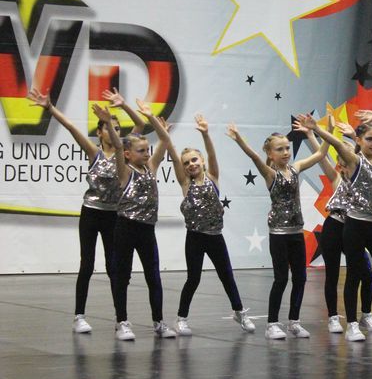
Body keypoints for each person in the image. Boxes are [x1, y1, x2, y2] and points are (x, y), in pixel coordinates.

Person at [27, 87, 145, 334]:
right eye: (108, 126)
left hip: (114, 215)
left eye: (117, 127)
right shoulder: (95, 153)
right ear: (99, 132)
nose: (114, 130)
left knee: (114, 267)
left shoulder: (123, 152)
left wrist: (123, 105)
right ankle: (79, 316)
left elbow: (140, 124)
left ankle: (121, 320)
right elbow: (71, 127)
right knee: (87, 265)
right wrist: (50, 108)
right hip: (91, 213)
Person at [299, 111, 372, 341]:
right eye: (369, 139)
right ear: (359, 141)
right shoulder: (354, 162)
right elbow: (336, 146)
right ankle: (350, 324)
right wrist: (316, 130)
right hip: (354, 226)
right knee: (353, 275)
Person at [227, 118, 330, 339]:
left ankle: (294, 322)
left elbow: (321, 154)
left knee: (300, 278)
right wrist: (239, 140)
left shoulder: (296, 168)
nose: (285, 152)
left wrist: (325, 130)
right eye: (280, 149)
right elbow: (254, 157)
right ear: (270, 153)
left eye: (287, 148)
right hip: (279, 235)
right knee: (281, 279)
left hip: (296, 232)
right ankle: (272, 324)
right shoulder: (270, 174)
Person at [164, 114, 255, 336]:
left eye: (194, 160)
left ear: (202, 161)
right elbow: (174, 158)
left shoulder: (213, 177)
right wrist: (165, 136)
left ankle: (239, 312)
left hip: (215, 237)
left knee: (227, 275)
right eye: (187, 163)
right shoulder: (186, 183)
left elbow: (212, 154)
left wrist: (205, 134)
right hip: (195, 237)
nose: (191, 164)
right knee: (193, 278)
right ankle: (181, 318)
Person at [94, 100, 175, 340]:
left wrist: (151, 118)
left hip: (147, 230)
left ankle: (158, 321)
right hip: (125, 228)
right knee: (123, 276)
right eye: (141, 151)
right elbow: (118, 146)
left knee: (153, 276)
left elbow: (165, 140)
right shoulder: (125, 171)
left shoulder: (151, 167)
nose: (147, 153)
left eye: (147, 150)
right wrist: (108, 122)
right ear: (128, 154)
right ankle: (122, 321)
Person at [300, 119, 372, 334]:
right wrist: (311, 135)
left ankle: (367, 315)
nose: (347, 159)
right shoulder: (336, 177)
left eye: (350, 155)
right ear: (340, 162)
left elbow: (364, 154)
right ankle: (333, 317)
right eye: (343, 157)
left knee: (367, 274)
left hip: (355, 230)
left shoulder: (364, 176)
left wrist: (353, 136)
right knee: (332, 274)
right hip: (335, 226)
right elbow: (321, 157)